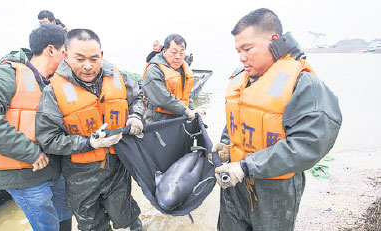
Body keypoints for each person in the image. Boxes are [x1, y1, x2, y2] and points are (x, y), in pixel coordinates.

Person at [212, 8, 342, 231]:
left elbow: (308, 143)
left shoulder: (303, 83)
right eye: (238, 51)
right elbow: (238, 118)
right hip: (235, 184)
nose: (242, 57)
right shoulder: (241, 78)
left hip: (275, 191)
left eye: (248, 49)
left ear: (273, 41)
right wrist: (226, 145)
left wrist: (247, 166)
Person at [0, 24, 72, 231]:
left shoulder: (55, 80)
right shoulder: (8, 74)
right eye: (65, 51)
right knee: (48, 226)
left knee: (65, 217)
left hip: (55, 170)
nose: (69, 58)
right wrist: (30, 152)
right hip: (25, 175)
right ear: (51, 50)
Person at [35, 29, 144, 231]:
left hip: (117, 167)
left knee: (128, 217)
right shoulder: (53, 91)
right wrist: (89, 142)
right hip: (80, 176)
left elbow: (137, 98)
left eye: (94, 59)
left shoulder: (117, 76)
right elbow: (48, 140)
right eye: (80, 59)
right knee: (92, 225)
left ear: (101, 56)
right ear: (66, 56)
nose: (88, 66)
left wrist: (136, 115)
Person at [142, 33, 203, 123]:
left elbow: (186, 95)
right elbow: (163, 98)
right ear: (164, 51)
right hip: (158, 119)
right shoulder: (154, 69)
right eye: (173, 52)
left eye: (181, 53)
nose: (178, 57)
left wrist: (192, 108)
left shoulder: (183, 68)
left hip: (179, 116)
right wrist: (186, 110)